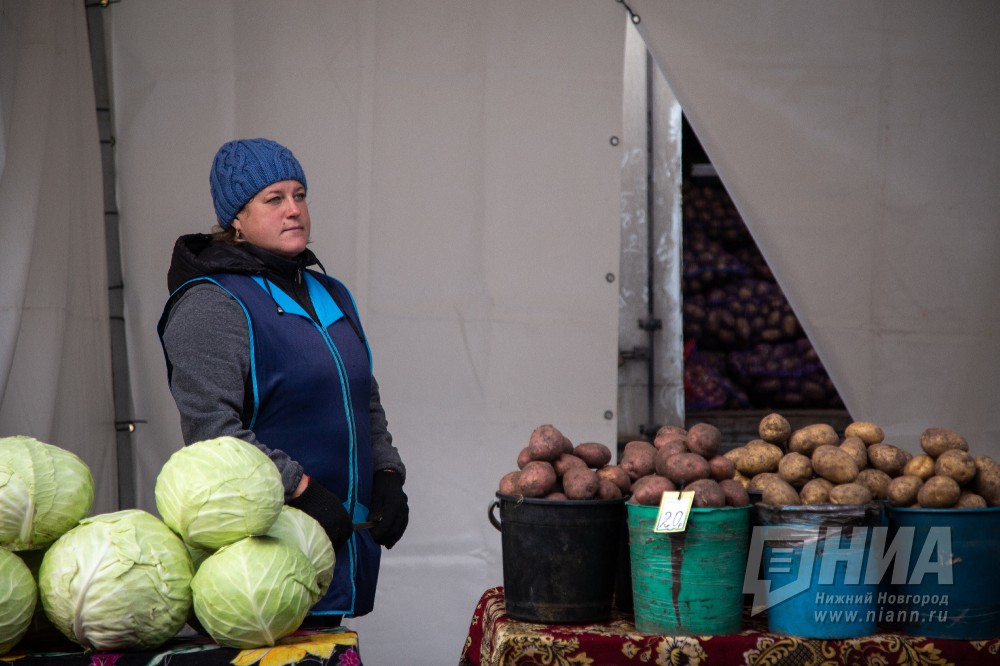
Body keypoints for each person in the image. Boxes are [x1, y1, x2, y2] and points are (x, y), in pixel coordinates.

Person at [157, 137, 408, 623]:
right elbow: (212, 432)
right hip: (263, 563)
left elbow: (364, 397)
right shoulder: (211, 303)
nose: (293, 209)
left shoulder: (331, 292)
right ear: (236, 218)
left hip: (340, 543)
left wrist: (387, 473)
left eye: (300, 195)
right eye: (273, 199)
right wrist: (300, 489)